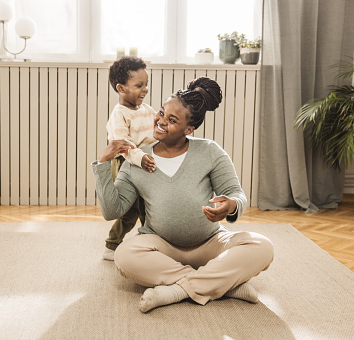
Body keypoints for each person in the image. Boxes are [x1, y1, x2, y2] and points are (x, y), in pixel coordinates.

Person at [92, 77, 274, 313]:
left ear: (189, 129)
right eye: (161, 113)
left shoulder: (209, 151)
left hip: (210, 243)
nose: (160, 121)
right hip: (160, 246)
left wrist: (230, 205)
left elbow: (235, 193)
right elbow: (112, 211)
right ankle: (226, 287)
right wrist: (103, 164)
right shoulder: (136, 160)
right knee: (125, 255)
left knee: (262, 246)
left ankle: (177, 290)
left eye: (172, 120)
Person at [102, 56, 157, 261]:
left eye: (146, 85)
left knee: (148, 205)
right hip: (127, 163)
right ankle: (112, 245)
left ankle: (150, 240)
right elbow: (123, 145)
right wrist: (140, 157)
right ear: (121, 88)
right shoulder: (119, 114)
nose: (145, 89)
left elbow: (158, 127)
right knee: (130, 209)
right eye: (139, 85)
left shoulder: (146, 109)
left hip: (145, 162)